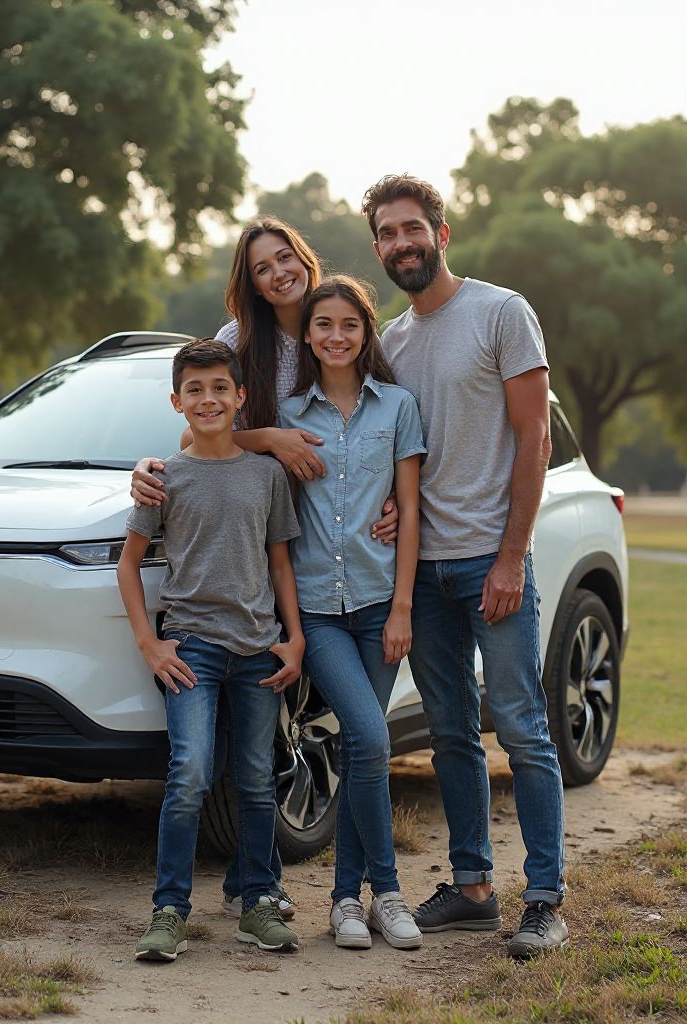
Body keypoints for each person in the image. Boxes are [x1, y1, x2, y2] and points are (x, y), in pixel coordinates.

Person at [130, 218, 398, 920]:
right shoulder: (234, 346)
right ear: (246, 283)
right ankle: (227, 889)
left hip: (349, 553)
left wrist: (398, 495)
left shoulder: (339, 324)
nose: (278, 272)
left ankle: (288, 887)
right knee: (234, 758)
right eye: (261, 267)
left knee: (288, 751)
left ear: (304, 258)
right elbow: (200, 428)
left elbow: (385, 422)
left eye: (286, 257)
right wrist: (271, 437)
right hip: (263, 554)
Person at [361, 174, 568, 958]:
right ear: (377, 246)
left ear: (441, 234)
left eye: (412, 228)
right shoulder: (392, 342)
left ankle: (545, 899)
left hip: (492, 559)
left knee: (521, 729)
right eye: (386, 233)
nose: (401, 243)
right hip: (424, 569)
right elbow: (397, 450)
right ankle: (475, 887)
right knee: (450, 732)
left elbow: (534, 439)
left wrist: (512, 556)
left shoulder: (501, 312)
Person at [117, 338, 304, 961]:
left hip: (257, 649)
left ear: (240, 395)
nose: (208, 399)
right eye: (194, 390)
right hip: (192, 649)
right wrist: (148, 643)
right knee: (190, 773)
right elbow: (129, 564)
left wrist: (294, 637)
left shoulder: (267, 473)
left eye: (220, 387)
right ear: (177, 401)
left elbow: (280, 561)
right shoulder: (165, 479)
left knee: (254, 780)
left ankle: (256, 904)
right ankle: (169, 910)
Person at [278, 275, 426, 951]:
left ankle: (346, 901)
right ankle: (386, 894)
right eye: (323, 325)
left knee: (362, 749)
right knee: (369, 738)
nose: (336, 336)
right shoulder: (287, 415)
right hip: (319, 611)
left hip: (379, 607)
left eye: (350, 325)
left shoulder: (396, 407)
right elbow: (230, 445)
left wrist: (402, 608)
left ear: (367, 334)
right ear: (307, 336)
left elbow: (410, 511)